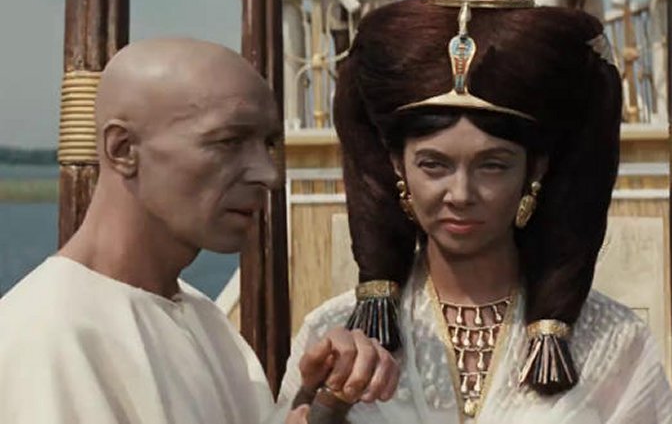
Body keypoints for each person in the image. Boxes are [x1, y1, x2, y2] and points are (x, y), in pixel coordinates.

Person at [276, 0, 672, 423]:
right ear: (398, 166)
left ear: (535, 170)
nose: (461, 194)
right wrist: (328, 405)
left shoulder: (613, 342)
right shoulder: (333, 335)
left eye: (492, 166)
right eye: (434, 165)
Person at [0, 38, 397, 424]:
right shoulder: (49, 335)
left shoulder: (204, 319)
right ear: (123, 149)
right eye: (229, 142)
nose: (269, 175)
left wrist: (319, 399)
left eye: (268, 144)